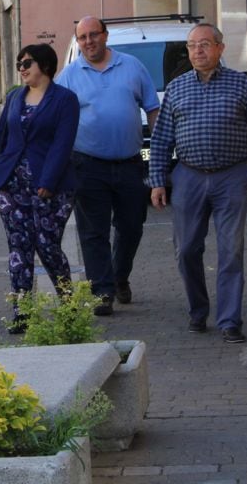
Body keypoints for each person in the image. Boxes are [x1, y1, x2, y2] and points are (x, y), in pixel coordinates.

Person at [149, 23, 247, 344]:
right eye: (193, 45)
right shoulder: (177, 88)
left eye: (205, 44)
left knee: (230, 250)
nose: (198, 51)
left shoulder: (241, 85)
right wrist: (157, 181)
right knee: (186, 250)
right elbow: (160, 141)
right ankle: (198, 311)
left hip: (231, 176)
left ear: (220, 49)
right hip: (188, 176)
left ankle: (229, 321)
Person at [0, 44, 79, 335]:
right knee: (19, 247)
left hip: (51, 187)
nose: (22, 68)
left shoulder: (65, 100)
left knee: (47, 245)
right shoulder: (15, 97)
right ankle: (22, 311)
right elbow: (2, 142)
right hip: (12, 185)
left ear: (44, 65)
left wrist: (48, 181)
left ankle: (69, 304)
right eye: (19, 63)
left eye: (27, 62)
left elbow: (62, 144)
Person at [56, 16, 160, 316]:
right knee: (93, 232)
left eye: (93, 35)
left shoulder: (132, 66)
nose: (88, 42)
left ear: (105, 35)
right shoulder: (69, 76)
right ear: (78, 41)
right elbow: (56, 119)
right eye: (83, 37)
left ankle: (119, 275)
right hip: (87, 165)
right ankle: (102, 291)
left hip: (131, 162)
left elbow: (152, 110)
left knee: (131, 227)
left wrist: (160, 153)